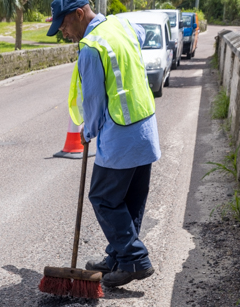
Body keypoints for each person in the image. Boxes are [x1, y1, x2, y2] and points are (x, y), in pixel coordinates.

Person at [47, 0, 161, 288]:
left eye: (63, 23)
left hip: (121, 135)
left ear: (79, 13)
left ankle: (134, 259)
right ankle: (118, 256)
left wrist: (89, 130)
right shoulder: (121, 25)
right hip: (145, 128)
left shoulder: (91, 47)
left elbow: (94, 101)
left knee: (103, 198)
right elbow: (142, 36)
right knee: (130, 200)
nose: (62, 32)